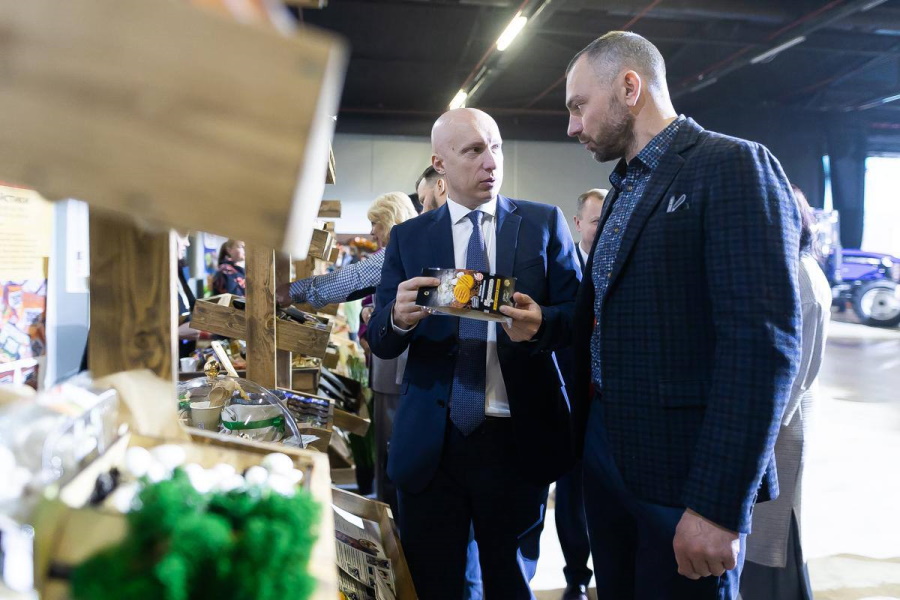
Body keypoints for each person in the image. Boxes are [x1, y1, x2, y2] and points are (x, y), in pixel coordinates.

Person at [564, 32, 802, 600]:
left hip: (684, 479)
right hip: (606, 456)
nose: (572, 126)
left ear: (630, 87)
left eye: (578, 105)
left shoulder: (732, 165)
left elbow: (761, 347)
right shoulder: (622, 188)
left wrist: (718, 506)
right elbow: (618, 316)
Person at [367, 107, 580, 599]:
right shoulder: (410, 237)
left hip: (516, 439)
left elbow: (578, 317)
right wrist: (398, 318)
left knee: (511, 583)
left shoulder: (542, 224)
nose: (492, 161)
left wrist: (543, 324)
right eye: (474, 150)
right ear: (439, 164)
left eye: (497, 146)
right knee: (433, 583)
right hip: (433, 443)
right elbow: (380, 337)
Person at [740, 185, 831, 600]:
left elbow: (796, 374)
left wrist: (759, 430)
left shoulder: (800, 275)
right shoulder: (786, 266)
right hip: (772, 417)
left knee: (774, 535)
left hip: (781, 424)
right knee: (763, 532)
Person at [553, 188, 607, 600]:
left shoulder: (621, 261)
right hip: (569, 399)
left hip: (608, 401)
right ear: (578, 223)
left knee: (607, 495)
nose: (602, 228)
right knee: (570, 495)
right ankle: (576, 576)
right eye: (595, 221)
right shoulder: (561, 264)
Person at [572, 188, 607, 271]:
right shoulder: (560, 265)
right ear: (578, 223)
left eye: (610, 221)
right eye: (597, 221)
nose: (605, 228)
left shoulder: (627, 265)